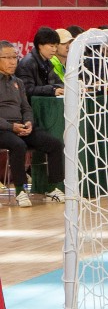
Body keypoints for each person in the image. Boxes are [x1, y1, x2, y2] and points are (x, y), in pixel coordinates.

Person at [0, 41, 63, 205]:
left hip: (20, 127)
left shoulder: (18, 82)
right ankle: (21, 191)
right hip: (2, 129)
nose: (12, 62)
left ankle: (53, 188)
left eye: (14, 57)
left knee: (54, 144)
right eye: (7, 58)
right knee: (18, 145)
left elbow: (26, 108)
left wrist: (28, 122)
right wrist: (10, 126)